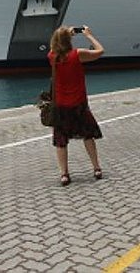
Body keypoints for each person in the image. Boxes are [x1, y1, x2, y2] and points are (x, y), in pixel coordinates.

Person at [48, 25, 105, 186]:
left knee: (61, 141)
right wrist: (88, 35)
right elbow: (100, 51)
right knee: (88, 136)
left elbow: (55, 45)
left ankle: (64, 174)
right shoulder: (77, 55)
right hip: (79, 104)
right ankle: (96, 168)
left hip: (60, 105)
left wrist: (64, 34)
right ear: (69, 40)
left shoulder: (52, 56)